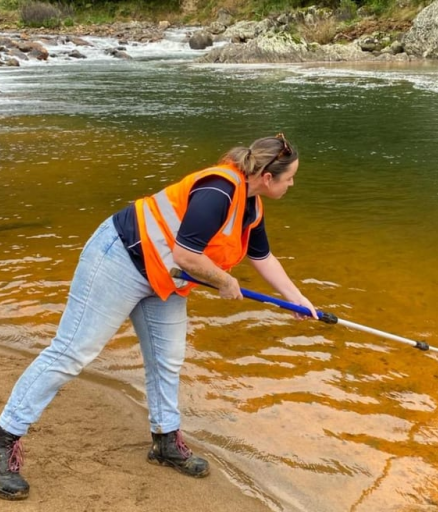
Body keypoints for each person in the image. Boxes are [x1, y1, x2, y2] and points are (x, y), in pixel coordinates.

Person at [0, 133, 317, 501]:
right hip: (120, 259)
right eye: (289, 177)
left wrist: (298, 301)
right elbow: (185, 254)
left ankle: (165, 442)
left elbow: (263, 258)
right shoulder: (218, 190)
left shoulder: (251, 206)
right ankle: (5, 437)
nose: (292, 183)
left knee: (167, 361)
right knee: (72, 353)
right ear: (266, 177)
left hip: (163, 279)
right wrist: (226, 280)